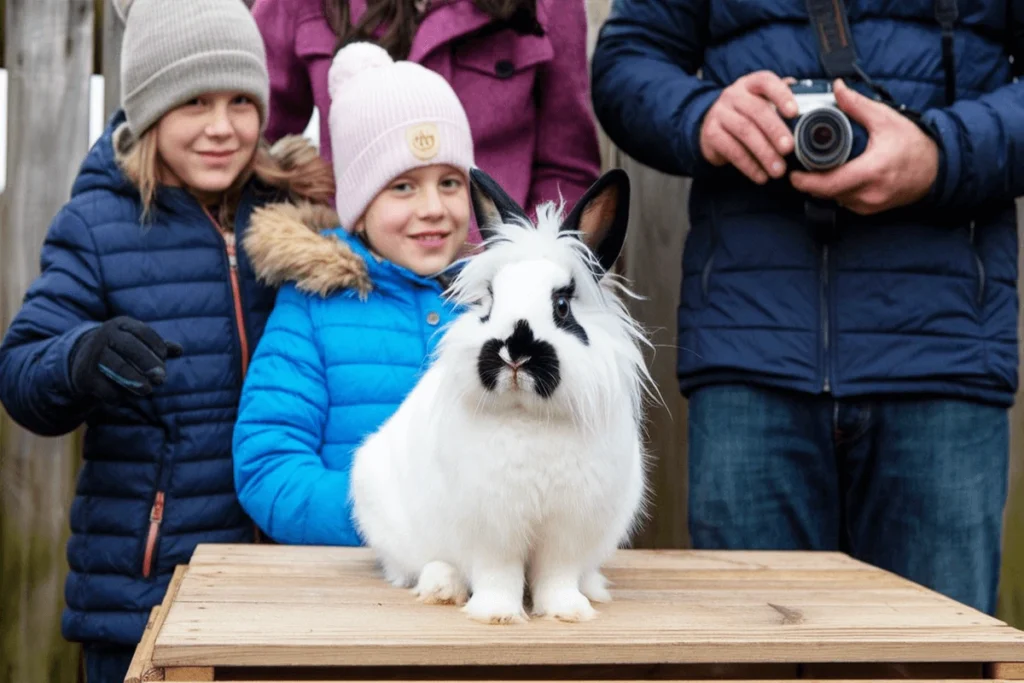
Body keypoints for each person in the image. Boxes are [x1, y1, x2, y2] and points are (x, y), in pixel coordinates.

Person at [590, 0, 1023, 615]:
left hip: (943, 351)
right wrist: (705, 115)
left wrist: (940, 154)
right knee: (753, 663)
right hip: (751, 355)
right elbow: (628, 58)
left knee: (938, 662)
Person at [0, 0, 335, 679]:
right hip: (143, 596)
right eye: (193, 102)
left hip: (281, 584)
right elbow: (21, 367)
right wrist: (81, 356)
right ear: (150, 110)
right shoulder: (98, 226)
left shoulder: (296, 220)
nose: (221, 127)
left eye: (242, 101)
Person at [232, 41, 474, 546]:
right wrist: (385, 519)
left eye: (450, 182)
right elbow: (268, 464)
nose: (433, 207)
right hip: (345, 591)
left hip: (478, 590)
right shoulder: (313, 308)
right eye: (403, 187)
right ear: (359, 206)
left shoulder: (493, 304)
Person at [249, 0, 601, 240]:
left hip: (495, 298)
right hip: (354, 288)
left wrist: (525, 270)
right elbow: (254, 142)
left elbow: (566, 169)